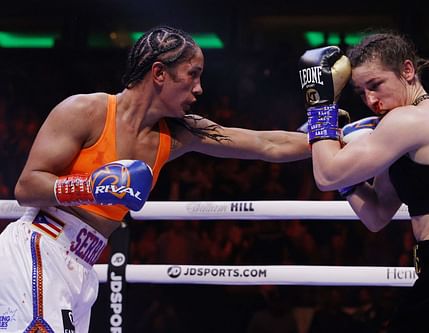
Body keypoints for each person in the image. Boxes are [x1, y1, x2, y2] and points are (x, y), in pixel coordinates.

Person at [0, 25, 311, 332]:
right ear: (160, 73)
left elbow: (266, 143)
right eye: (193, 74)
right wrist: (90, 187)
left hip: (82, 266)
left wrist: (330, 136)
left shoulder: (177, 133)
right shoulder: (86, 111)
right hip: (41, 250)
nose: (199, 88)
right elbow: (27, 186)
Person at [298, 32, 429, 332]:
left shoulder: (412, 120)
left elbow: (326, 175)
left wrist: (320, 109)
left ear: (407, 71)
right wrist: (344, 172)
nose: (371, 100)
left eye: (376, 85)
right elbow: (377, 215)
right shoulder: (405, 127)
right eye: (361, 91)